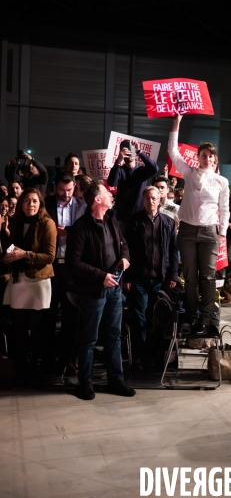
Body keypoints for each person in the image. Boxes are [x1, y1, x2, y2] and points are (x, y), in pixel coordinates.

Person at [65, 181, 135, 400]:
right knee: (89, 338)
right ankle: (85, 383)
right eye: (106, 193)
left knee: (114, 335)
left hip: (114, 288)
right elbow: (73, 262)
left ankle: (116, 380)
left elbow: (124, 244)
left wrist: (124, 258)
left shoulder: (110, 220)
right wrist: (100, 276)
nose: (111, 195)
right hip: (94, 291)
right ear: (97, 199)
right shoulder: (81, 227)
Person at [168, 113, 229, 336]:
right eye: (203, 155)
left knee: (208, 278)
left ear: (214, 159)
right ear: (198, 157)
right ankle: (191, 315)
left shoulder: (221, 181)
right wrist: (177, 122)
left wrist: (222, 233)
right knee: (191, 277)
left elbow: (225, 209)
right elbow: (173, 153)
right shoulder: (189, 173)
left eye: (210, 156)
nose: (207, 158)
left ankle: (205, 318)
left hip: (209, 234)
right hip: (186, 231)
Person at [2, 188, 56, 383]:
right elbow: (10, 248)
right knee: (20, 329)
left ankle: (36, 368)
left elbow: (50, 256)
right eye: (26, 201)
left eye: (34, 201)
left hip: (38, 281)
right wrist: (7, 256)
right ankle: (22, 367)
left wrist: (24, 254)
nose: (30, 204)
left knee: (37, 329)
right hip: (18, 279)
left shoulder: (47, 223)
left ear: (40, 203)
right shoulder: (16, 223)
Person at [124, 186, 179, 368]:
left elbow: (173, 251)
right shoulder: (134, 222)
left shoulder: (168, 223)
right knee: (140, 318)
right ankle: (139, 356)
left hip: (160, 279)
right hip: (139, 279)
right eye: (148, 198)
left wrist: (173, 275)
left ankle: (155, 354)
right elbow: (128, 251)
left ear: (159, 200)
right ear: (143, 200)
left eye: (154, 198)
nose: (151, 201)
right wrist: (128, 277)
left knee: (159, 319)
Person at [42, 171, 87, 374]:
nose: (65, 193)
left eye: (69, 190)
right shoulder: (46, 204)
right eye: (61, 189)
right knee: (48, 314)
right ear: (55, 186)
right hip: (50, 266)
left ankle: (69, 359)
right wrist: (53, 232)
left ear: (74, 186)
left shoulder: (81, 206)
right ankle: (48, 358)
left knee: (72, 316)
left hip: (71, 267)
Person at [107, 140, 159, 232]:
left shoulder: (141, 171)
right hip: (122, 217)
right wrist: (118, 160)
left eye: (131, 150)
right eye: (126, 150)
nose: (129, 153)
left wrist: (139, 151)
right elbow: (111, 182)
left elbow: (154, 169)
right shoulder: (120, 170)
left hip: (139, 216)